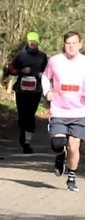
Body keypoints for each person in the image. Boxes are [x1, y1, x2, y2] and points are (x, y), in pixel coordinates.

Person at [44, 31, 87, 192]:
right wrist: (47, 91)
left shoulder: (87, 62)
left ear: (80, 44)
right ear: (64, 44)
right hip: (59, 111)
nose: (71, 46)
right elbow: (44, 77)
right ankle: (59, 155)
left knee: (74, 147)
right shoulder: (55, 61)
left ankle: (71, 178)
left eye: (74, 43)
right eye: (68, 43)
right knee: (58, 144)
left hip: (79, 112)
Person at [3, 31, 48, 153]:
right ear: (27, 42)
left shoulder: (43, 56)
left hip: (36, 90)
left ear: (38, 42)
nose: (32, 43)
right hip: (21, 89)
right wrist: (21, 70)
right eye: (30, 41)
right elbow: (11, 69)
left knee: (30, 115)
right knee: (22, 115)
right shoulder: (20, 55)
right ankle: (23, 133)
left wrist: (41, 74)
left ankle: (27, 142)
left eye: (35, 41)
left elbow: (48, 71)